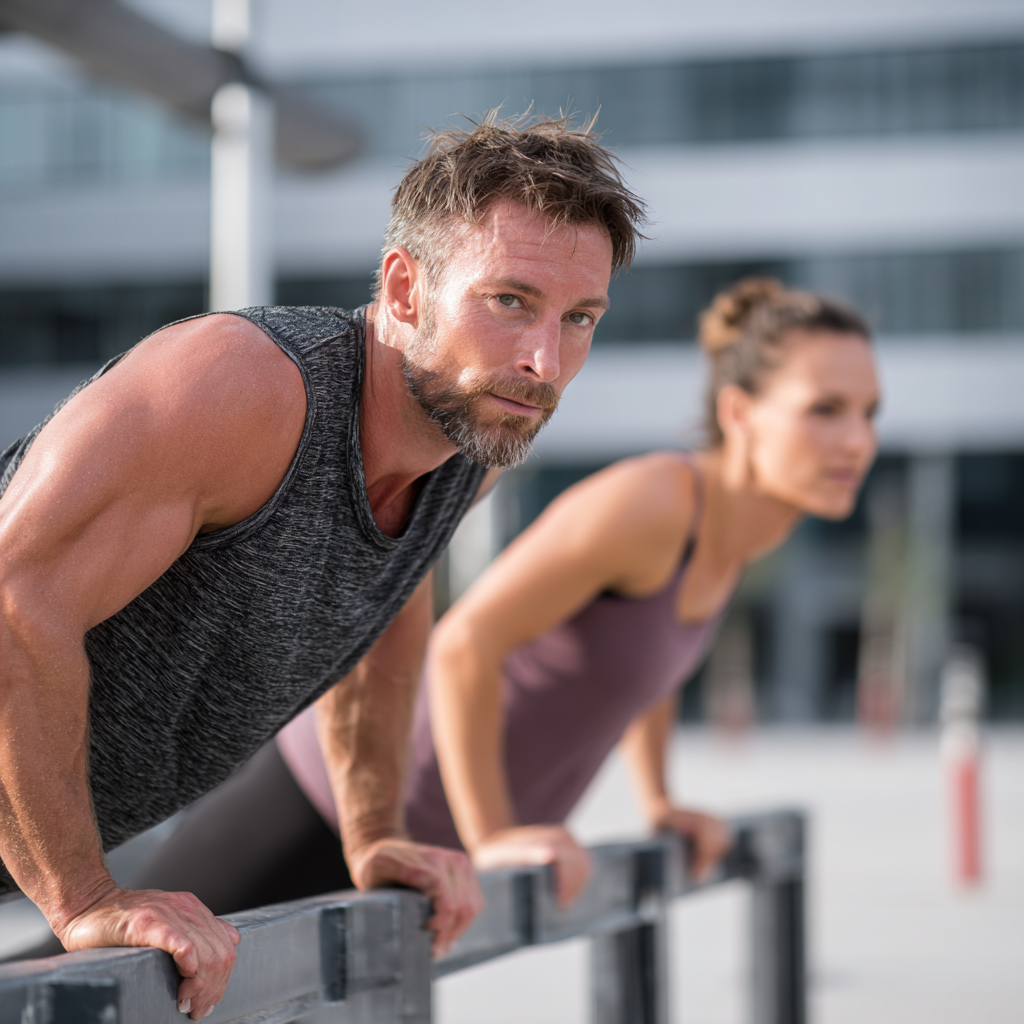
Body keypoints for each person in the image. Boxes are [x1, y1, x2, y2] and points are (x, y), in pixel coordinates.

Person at [0, 115, 646, 1018]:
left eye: (579, 318)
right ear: (405, 288)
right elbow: (14, 602)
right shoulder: (244, 387)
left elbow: (386, 604)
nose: (545, 361)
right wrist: (82, 899)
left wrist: (373, 829)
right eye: (509, 301)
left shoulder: (467, 440)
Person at [109, 276, 881, 916]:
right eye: (825, 410)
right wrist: (497, 834)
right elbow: (469, 639)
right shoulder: (657, 502)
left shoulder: (737, 534)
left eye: (868, 414)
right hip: (342, 805)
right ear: (740, 413)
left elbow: (646, 672)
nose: (857, 441)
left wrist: (660, 799)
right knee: (102, 988)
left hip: (437, 859)